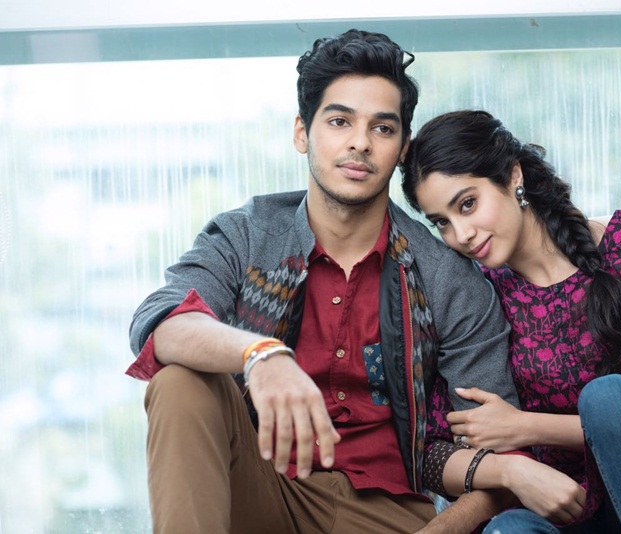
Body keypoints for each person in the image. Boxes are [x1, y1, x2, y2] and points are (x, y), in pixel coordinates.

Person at [126, 33, 521, 534]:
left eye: (382, 127)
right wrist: (261, 355)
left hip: (389, 513)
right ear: (302, 132)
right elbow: (160, 320)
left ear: (402, 148)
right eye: (339, 121)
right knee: (179, 381)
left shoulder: (447, 278)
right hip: (262, 490)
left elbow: (496, 459)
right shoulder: (248, 235)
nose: (360, 142)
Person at [401, 110, 621, 533]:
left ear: (513, 176)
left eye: (467, 204)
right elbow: (430, 451)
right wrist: (512, 472)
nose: (461, 234)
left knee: (608, 396)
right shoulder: (480, 299)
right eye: (442, 222)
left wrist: (525, 427)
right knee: (510, 530)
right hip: (572, 512)